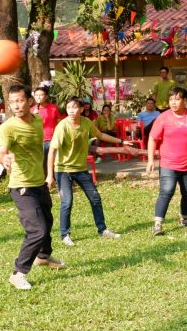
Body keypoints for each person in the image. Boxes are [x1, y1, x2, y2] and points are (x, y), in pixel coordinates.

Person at [0, 85, 63, 291]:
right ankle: (18, 273)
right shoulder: (8, 127)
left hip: (39, 182)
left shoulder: (38, 120)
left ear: (30, 101)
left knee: (47, 222)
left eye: (20, 100)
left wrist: (48, 175)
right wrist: (3, 158)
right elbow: (1, 150)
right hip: (21, 186)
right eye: (12, 102)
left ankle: (43, 257)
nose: (16, 106)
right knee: (37, 230)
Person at [47, 96, 129, 246]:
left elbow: (100, 135)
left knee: (95, 198)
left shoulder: (86, 123)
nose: (71, 111)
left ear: (81, 109)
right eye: (68, 107)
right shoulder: (62, 126)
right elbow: (52, 151)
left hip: (81, 169)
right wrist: (50, 175)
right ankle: (65, 234)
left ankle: (102, 229)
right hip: (63, 170)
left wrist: (121, 141)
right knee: (67, 202)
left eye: (74, 107)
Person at [146, 87, 187, 235]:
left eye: (177, 99)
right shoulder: (163, 117)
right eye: (171, 99)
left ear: (185, 101)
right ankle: (157, 225)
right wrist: (150, 159)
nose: (173, 103)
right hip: (168, 164)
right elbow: (152, 138)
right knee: (166, 192)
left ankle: (184, 218)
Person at [31, 85, 61, 158]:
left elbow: (59, 123)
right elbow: (29, 126)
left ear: (46, 96)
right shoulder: (31, 110)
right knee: (42, 162)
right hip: (39, 141)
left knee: (53, 162)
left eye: (41, 95)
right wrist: (33, 116)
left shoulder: (53, 107)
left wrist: (58, 137)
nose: (38, 97)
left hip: (52, 139)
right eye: (36, 95)